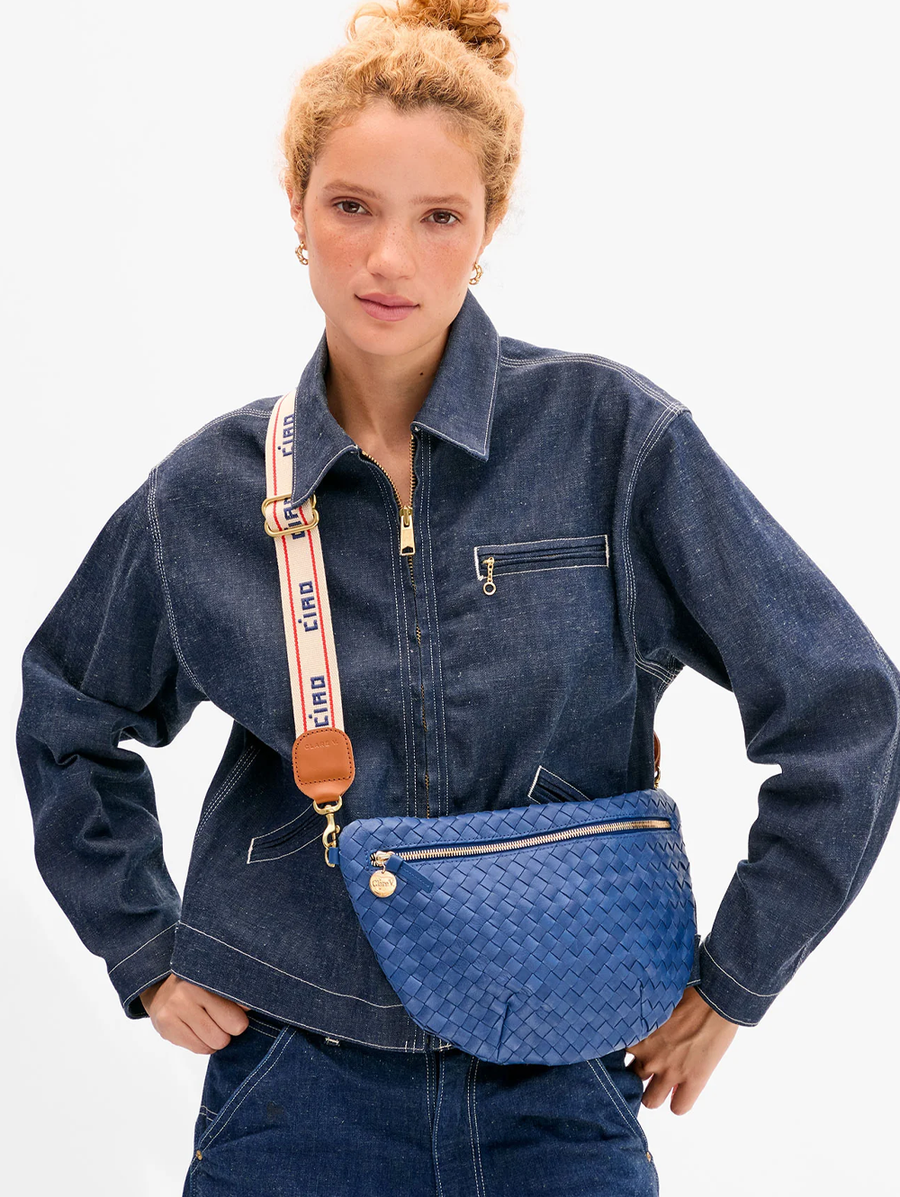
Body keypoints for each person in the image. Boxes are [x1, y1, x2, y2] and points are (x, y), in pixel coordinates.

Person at [15, 1, 900, 1194]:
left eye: (439, 217)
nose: (391, 259)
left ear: (488, 225)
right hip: (292, 1084)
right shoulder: (212, 491)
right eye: (352, 207)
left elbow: (850, 709)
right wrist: (141, 946)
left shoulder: (611, 439)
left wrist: (737, 981)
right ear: (295, 209)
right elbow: (68, 715)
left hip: (561, 1088)